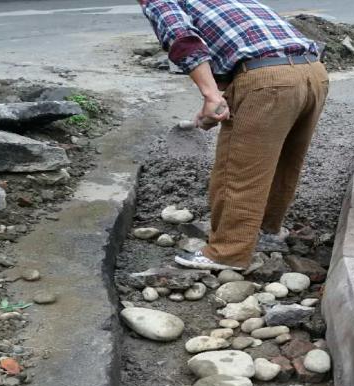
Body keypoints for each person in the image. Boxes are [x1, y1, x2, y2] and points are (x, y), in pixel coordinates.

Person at [138, 0, 329, 271]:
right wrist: (221, 101)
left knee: (238, 170)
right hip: (313, 73)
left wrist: (210, 95)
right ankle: (267, 230)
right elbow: (245, 55)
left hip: (269, 82)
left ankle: (227, 252)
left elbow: (183, 39)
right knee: (284, 159)